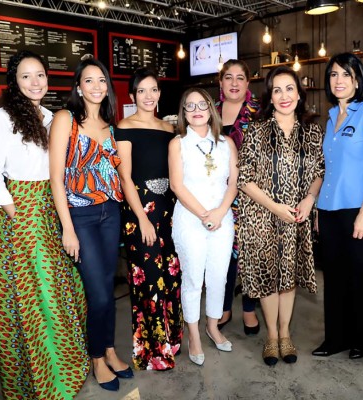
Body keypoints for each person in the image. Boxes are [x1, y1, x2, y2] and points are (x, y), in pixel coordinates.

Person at [0, 50, 89, 399]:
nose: (35, 82)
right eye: (26, 76)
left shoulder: (49, 116)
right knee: (35, 300)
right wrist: (17, 214)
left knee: (63, 292)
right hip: (24, 214)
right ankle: (43, 382)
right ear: (14, 81)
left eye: (40, 75)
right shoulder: (1, 117)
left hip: (53, 208)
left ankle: (66, 369)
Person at [49, 57, 132, 392]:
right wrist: (67, 228)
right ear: (78, 86)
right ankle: (96, 357)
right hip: (80, 217)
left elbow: (115, 174)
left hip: (110, 213)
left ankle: (110, 349)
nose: (97, 87)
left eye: (102, 81)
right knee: (97, 294)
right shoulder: (65, 119)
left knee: (108, 291)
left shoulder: (111, 127)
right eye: (89, 81)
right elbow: (56, 179)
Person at [237, 66, 324, 366]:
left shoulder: (312, 130)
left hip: (297, 216)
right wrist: (275, 208)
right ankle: (271, 336)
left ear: (299, 94)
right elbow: (244, 178)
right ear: (269, 97)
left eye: (289, 89)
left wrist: (309, 200)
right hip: (262, 217)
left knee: (288, 278)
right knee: (266, 279)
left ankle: (285, 333)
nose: (284, 95)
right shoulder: (257, 130)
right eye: (277, 90)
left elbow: (319, 171)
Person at [312, 53, 363, 360]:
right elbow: (329, 169)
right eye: (333, 75)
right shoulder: (331, 117)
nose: (338, 80)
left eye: (345, 74)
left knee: (358, 274)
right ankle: (335, 338)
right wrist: (317, 209)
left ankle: (362, 339)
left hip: (359, 208)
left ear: (358, 79)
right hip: (329, 209)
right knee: (333, 275)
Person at [115, 67, 183, 371]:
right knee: (149, 282)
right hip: (139, 213)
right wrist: (142, 218)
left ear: (159, 93)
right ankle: (153, 351)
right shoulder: (124, 127)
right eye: (141, 90)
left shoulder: (169, 129)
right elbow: (125, 178)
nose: (148, 95)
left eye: (153, 89)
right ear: (132, 95)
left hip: (169, 211)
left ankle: (172, 340)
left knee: (171, 277)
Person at [169, 88, 238, 366]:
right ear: (184, 113)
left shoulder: (226, 143)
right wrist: (203, 215)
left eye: (202, 104)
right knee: (194, 279)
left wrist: (220, 213)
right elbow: (177, 185)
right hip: (190, 219)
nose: (196, 110)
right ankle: (194, 334)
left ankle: (212, 326)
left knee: (219, 276)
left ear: (211, 108)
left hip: (222, 219)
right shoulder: (178, 143)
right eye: (190, 106)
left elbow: (233, 183)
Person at [215, 59, 261, 335]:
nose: (234, 83)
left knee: (249, 253)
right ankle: (223, 306)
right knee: (223, 255)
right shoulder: (209, 112)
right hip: (216, 195)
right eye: (228, 77)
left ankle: (248, 308)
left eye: (240, 78)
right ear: (220, 83)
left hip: (251, 193)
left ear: (247, 83)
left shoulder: (258, 112)